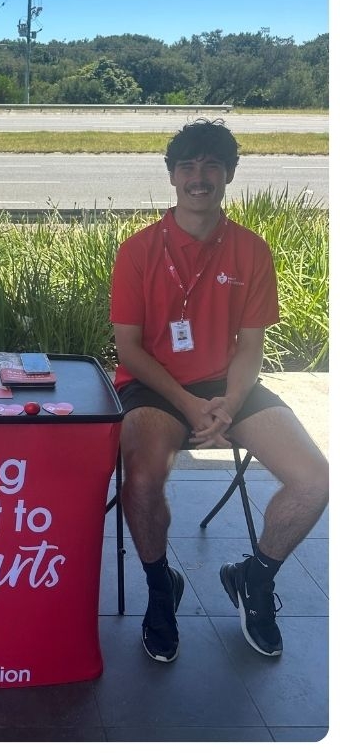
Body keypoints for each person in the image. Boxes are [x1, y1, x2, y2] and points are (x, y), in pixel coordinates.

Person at [109, 119, 328, 663]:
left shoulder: (251, 251)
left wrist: (228, 403)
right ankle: (162, 587)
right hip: (154, 385)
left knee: (315, 479)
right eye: (188, 166)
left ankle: (255, 576)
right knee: (141, 477)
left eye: (211, 166)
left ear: (229, 175)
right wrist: (189, 405)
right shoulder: (137, 251)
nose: (198, 177)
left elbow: (250, 346)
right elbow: (129, 349)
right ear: (172, 176)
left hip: (227, 385)